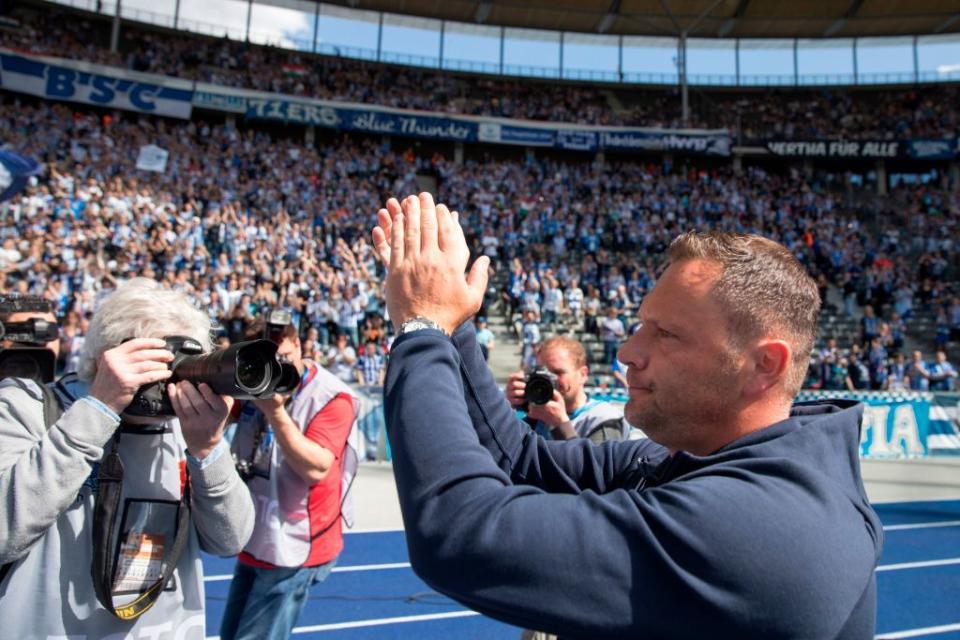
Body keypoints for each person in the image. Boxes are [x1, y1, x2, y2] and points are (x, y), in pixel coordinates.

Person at [370, 193, 881, 638]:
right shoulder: (691, 458)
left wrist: (421, 330)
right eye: (641, 326)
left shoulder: (765, 525)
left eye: (666, 334)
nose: (628, 352)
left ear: (764, 364)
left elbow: (459, 533)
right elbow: (522, 460)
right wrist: (455, 325)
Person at [0, 278, 255, 639]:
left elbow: (231, 540)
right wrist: (99, 408)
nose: (171, 380)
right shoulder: (28, 406)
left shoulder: (188, 425)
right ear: (109, 356)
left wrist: (208, 450)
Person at [221, 318, 359, 640]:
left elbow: (316, 468)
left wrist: (275, 412)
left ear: (298, 346)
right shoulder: (253, 381)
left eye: (282, 357)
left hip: (297, 540)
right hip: (257, 531)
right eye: (265, 361)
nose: (276, 369)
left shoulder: (332, 397)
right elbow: (218, 418)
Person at [506, 335, 627, 443]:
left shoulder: (603, 418)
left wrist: (561, 426)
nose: (547, 379)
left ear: (583, 374)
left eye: (557, 372)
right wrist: (506, 409)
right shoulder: (538, 414)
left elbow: (597, 467)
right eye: (542, 372)